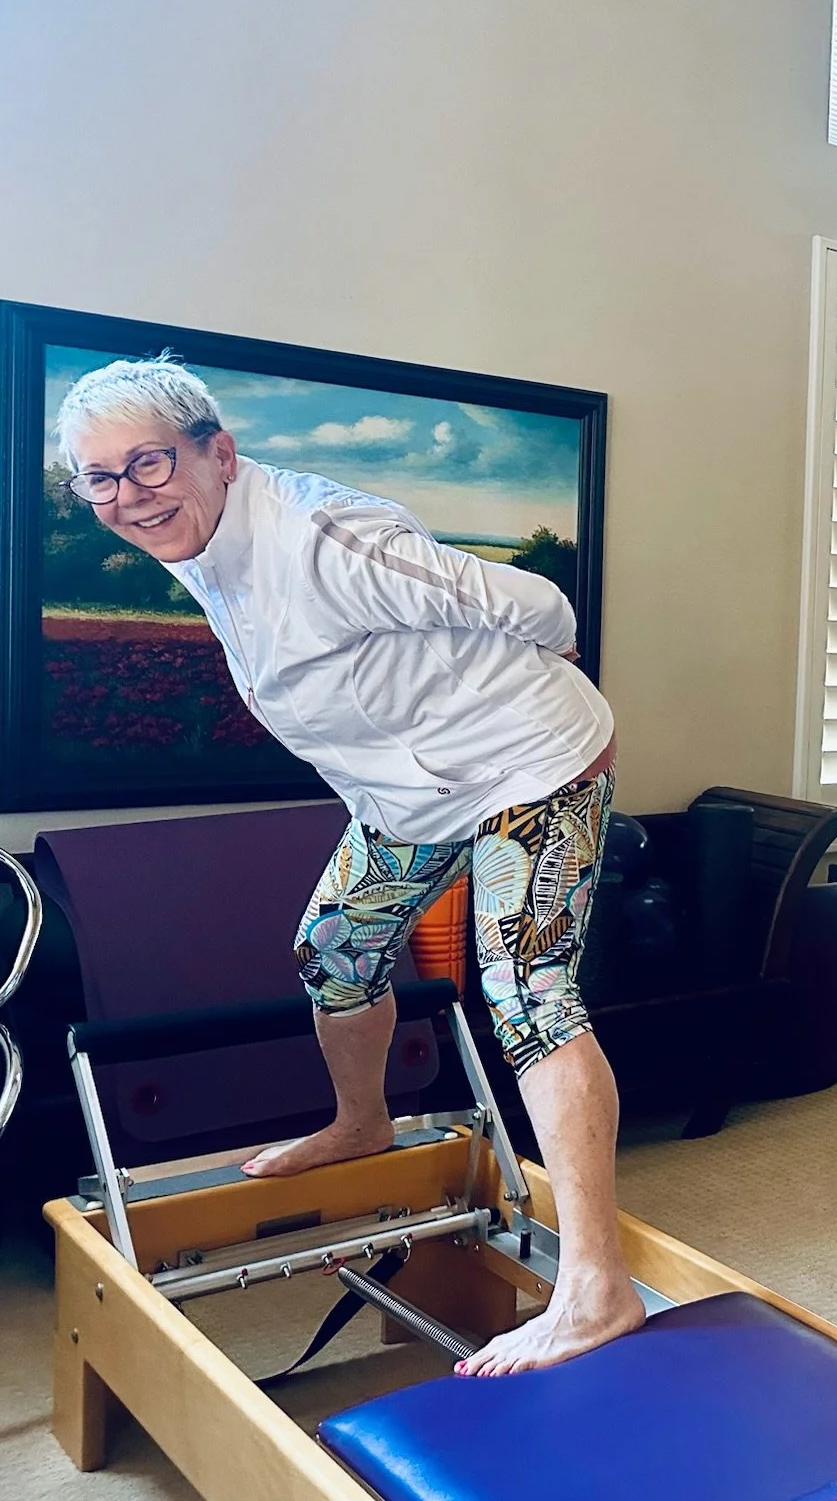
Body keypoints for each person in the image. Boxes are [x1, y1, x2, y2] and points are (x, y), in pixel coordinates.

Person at [55, 357, 639, 1376]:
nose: (127, 497)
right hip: (410, 791)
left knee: (527, 992)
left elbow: (539, 603)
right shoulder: (189, 532)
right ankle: (362, 1124)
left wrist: (540, 662)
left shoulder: (331, 538)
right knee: (335, 949)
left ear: (218, 452)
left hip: (527, 763)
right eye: (98, 479)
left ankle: (597, 1287)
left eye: (147, 464)